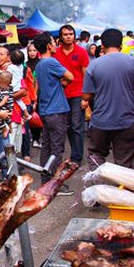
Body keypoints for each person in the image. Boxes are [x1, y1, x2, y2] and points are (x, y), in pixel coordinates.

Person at [82, 29, 134, 170]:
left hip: (101, 121)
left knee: (96, 155)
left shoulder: (94, 65)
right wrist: (129, 90)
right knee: (124, 164)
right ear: (121, 45)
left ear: (102, 45)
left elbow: (86, 96)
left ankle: (98, 188)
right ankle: (121, 188)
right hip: (127, 120)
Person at [33, 33, 74, 189]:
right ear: (49, 46)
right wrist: (63, 84)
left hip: (46, 110)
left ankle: (45, 180)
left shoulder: (39, 64)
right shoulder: (51, 62)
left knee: (47, 146)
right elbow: (70, 76)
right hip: (56, 109)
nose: (56, 44)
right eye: (54, 42)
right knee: (57, 148)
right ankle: (55, 183)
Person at [54, 24, 90, 166]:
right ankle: (67, 155)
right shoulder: (55, 53)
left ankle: (77, 157)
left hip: (77, 94)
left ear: (74, 36)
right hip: (61, 95)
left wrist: (86, 98)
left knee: (77, 126)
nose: (68, 36)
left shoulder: (81, 52)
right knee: (65, 126)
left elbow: (86, 75)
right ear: (61, 37)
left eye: (71, 34)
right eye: (65, 34)